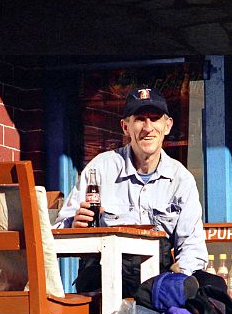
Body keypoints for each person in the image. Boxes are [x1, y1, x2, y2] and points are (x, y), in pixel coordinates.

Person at [55, 86, 210, 296]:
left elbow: (193, 247)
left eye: (155, 118)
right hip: (104, 278)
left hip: (157, 279)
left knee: (212, 287)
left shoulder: (181, 179)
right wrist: (74, 226)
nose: (148, 128)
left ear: (167, 125)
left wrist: (177, 281)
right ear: (125, 127)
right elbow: (56, 234)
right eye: (139, 119)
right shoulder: (99, 169)